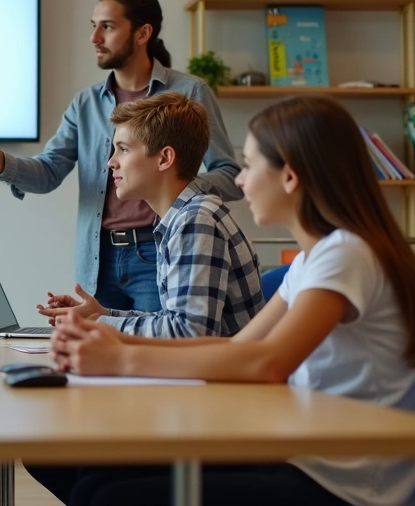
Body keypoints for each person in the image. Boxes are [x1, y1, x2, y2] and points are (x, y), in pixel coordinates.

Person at [45, 95, 415, 506]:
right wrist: (115, 342)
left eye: (251, 165)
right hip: (306, 456)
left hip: (350, 487)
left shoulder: (346, 255)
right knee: (95, 482)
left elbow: (269, 363)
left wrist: (121, 357)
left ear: (289, 177)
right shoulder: (317, 258)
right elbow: (241, 347)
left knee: (105, 495)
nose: (238, 180)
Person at [0, 0, 240, 313]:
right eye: (94, 26)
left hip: (159, 249)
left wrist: (176, 184)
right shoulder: (86, 103)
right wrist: (0, 161)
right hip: (97, 260)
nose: (95, 38)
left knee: (151, 354)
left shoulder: (190, 92)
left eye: (107, 26)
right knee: (98, 355)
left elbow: (229, 176)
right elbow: (48, 173)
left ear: (142, 33)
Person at [34, 92, 264, 338]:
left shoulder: (196, 221)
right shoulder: (182, 217)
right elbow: (174, 321)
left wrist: (98, 323)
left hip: (223, 375)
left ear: (164, 158)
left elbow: (188, 333)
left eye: (123, 149)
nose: (111, 162)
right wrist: (98, 316)